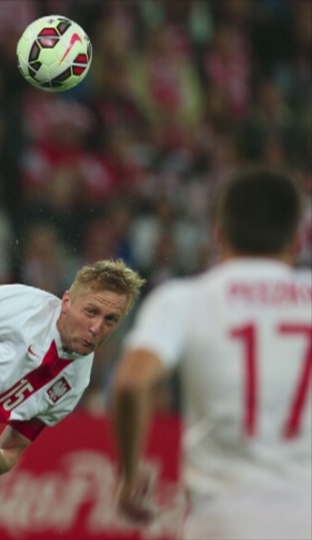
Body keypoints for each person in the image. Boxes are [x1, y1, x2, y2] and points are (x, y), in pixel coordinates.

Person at [112, 169, 312, 539]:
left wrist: (130, 471)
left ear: (218, 234)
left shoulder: (186, 299)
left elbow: (131, 382)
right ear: (298, 241)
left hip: (223, 520)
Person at [0, 258, 145, 540]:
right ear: (67, 301)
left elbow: (11, 453)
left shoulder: (76, 382)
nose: (97, 327)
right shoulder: (27, 306)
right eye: (91, 312)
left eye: (110, 320)